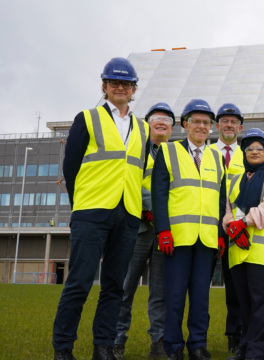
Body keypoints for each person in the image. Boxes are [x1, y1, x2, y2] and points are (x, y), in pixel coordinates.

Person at [54, 57, 151, 360]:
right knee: (79, 282)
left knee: (114, 287)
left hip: (128, 214)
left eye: (126, 83)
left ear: (134, 89)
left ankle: (103, 347)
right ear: (104, 86)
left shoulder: (143, 127)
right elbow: (70, 168)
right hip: (91, 212)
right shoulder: (87, 118)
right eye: (113, 82)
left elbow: (139, 170)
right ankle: (63, 349)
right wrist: (80, 205)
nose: (120, 87)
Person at [151, 99, 226, 360]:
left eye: (206, 123)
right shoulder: (168, 151)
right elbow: (159, 195)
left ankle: (197, 345)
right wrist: (163, 230)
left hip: (206, 239)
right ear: (185, 125)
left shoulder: (217, 157)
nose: (202, 127)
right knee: (174, 296)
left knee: (201, 298)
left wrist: (219, 233)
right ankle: (173, 347)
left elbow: (219, 199)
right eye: (197, 122)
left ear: (211, 127)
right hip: (177, 238)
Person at [113, 103, 174, 360]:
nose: (162, 122)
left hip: (163, 233)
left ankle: (157, 343)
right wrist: (147, 207)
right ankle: (115, 341)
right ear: (147, 122)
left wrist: (161, 217)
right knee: (124, 288)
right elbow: (128, 179)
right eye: (157, 118)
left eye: (167, 119)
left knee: (159, 292)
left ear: (173, 127)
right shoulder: (136, 148)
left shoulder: (175, 154)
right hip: (137, 229)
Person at [223, 129, 264, 360]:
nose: (254, 152)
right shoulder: (236, 179)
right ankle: (245, 346)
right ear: (244, 153)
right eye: (249, 148)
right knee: (245, 303)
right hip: (238, 251)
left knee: (260, 302)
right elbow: (228, 211)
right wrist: (231, 226)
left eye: (259, 148)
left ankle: (257, 349)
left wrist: (243, 223)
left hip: (262, 251)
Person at [210, 103, 245, 353]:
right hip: (205, 228)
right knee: (199, 287)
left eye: (234, 121)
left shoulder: (249, 152)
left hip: (236, 230)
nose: (229, 125)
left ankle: (235, 334)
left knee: (235, 287)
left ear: (240, 127)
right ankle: (195, 339)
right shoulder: (207, 152)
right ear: (217, 125)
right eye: (225, 121)